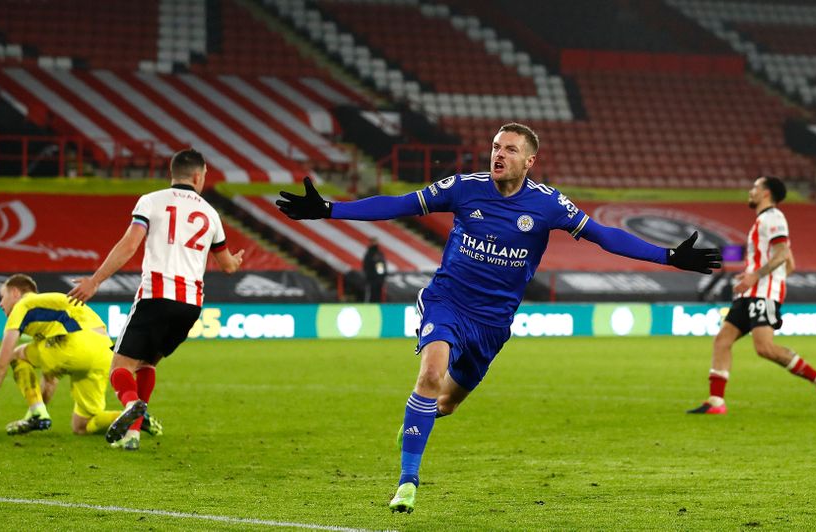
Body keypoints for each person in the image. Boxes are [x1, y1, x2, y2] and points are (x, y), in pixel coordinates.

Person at [276, 123, 722, 513]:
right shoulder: (464, 187)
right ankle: (407, 483)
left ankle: (418, 420)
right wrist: (331, 210)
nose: (498, 154)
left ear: (530, 160)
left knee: (445, 402)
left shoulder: (549, 205)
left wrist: (668, 256)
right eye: (495, 146)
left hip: (492, 324)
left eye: (509, 149)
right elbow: (400, 204)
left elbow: (604, 236)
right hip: (447, 301)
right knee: (430, 376)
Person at [67, 148, 244, 451]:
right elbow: (227, 265)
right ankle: (132, 434)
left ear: (172, 174)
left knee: (119, 367)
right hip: (190, 305)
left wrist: (95, 280)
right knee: (148, 363)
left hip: (156, 295)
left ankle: (132, 404)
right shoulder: (211, 213)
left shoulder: (151, 201)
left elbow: (130, 243)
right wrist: (237, 261)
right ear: (199, 176)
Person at [687, 176, 816, 415]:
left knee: (764, 348)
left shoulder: (774, 218)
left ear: (766, 193)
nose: (751, 191)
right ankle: (716, 401)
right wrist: (754, 277)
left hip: (762, 294)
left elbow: (781, 254)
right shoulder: (762, 222)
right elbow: (790, 264)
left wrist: (761, 280)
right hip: (751, 293)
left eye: (755, 187)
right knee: (722, 341)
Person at [0, 274, 162, 438]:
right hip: (104, 351)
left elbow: (1, 362)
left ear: (15, 293)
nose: (0, 304)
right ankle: (132, 416)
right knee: (82, 425)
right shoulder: (49, 312)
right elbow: (50, 379)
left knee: (18, 355)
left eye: (2, 297)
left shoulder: (23, 305)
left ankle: (37, 412)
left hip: (76, 344)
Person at [362, 237, 387, 302]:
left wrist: (380, 277)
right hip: (372, 279)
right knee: (371, 294)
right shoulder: (370, 254)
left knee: (377, 295)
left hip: (376, 279)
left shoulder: (377, 254)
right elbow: (366, 266)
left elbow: (380, 266)